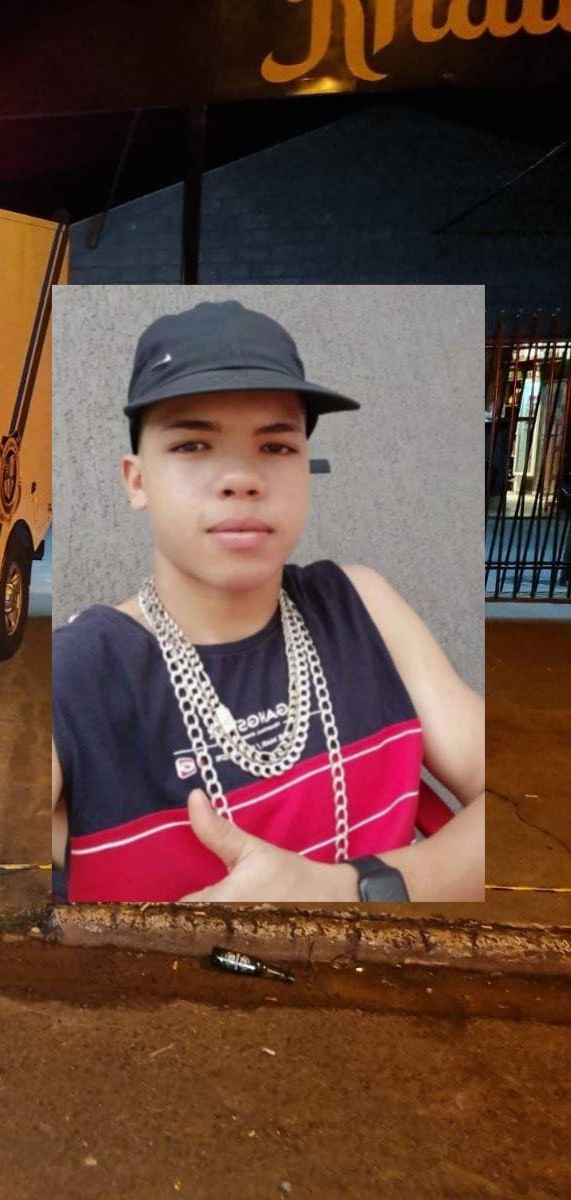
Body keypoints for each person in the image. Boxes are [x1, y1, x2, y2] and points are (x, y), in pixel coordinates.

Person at [51, 300, 484, 904]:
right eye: (193, 445)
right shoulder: (78, 676)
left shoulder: (362, 607)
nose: (241, 478)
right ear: (137, 480)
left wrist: (343, 890)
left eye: (276, 447)